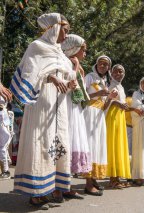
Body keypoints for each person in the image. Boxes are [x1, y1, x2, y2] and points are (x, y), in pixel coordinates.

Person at [11, 13, 76, 208]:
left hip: (58, 107)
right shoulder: (36, 47)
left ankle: (51, 188)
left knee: (57, 145)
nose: (66, 35)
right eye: (65, 30)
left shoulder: (62, 55)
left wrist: (69, 83)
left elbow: (65, 78)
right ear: (53, 27)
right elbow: (29, 76)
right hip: (41, 102)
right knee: (40, 142)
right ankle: (35, 192)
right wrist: (49, 78)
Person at [61, 34, 91, 199]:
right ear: (74, 48)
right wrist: (76, 67)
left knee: (72, 143)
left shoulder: (75, 64)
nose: (84, 54)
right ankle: (62, 186)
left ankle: (66, 185)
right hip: (67, 105)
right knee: (68, 141)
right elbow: (68, 80)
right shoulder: (67, 61)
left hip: (75, 106)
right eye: (83, 50)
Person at [83, 55, 116, 196]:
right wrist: (98, 93)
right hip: (90, 113)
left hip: (99, 115)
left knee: (97, 146)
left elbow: (104, 106)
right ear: (96, 64)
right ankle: (88, 184)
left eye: (106, 65)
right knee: (90, 145)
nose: (103, 66)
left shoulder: (104, 82)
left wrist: (109, 98)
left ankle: (94, 179)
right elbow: (81, 95)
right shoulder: (89, 77)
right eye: (101, 64)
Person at [105, 64, 132, 188]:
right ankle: (112, 179)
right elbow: (106, 100)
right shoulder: (110, 85)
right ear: (111, 73)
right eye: (115, 71)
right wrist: (117, 103)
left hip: (120, 117)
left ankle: (117, 177)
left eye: (121, 71)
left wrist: (124, 105)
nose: (118, 74)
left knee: (119, 146)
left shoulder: (120, 87)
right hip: (112, 117)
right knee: (113, 146)